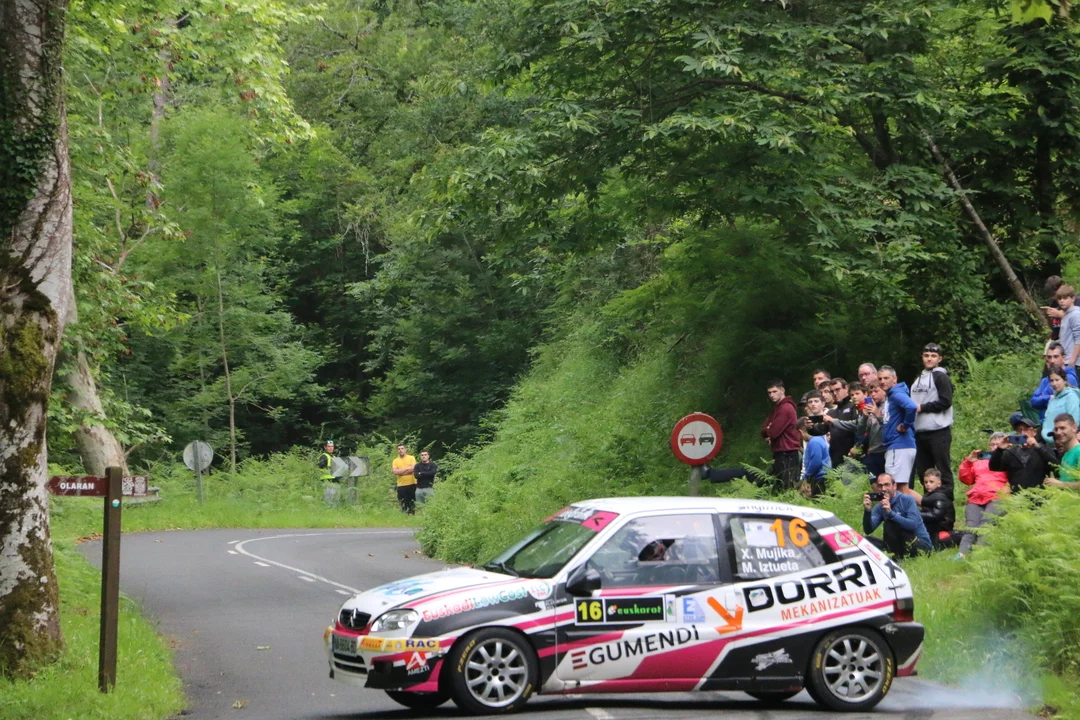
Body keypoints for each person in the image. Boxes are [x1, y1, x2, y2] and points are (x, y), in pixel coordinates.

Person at [911, 343, 955, 498]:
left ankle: (946, 503)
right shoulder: (919, 378)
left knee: (943, 469)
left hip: (938, 431)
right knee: (924, 472)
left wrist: (923, 407)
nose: (929, 359)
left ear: (939, 359)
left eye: (933, 356)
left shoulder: (940, 376)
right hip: (920, 431)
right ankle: (929, 504)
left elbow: (946, 401)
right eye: (926, 355)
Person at [956, 433, 1010, 559]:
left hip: (997, 496)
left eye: (998, 444)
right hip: (976, 497)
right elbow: (966, 479)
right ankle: (961, 555)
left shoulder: (1008, 460)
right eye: (992, 444)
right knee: (971, 527)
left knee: (986, 524)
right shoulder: (980, 462)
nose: (994, 447)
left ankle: (980, 556)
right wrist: (968, 462)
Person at [863, 473, 932, 559]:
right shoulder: (880, 507)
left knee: (890, 524)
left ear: (894, 486)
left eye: (886, 485)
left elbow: (913, 525)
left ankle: (896, 556)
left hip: (919, 544)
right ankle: (893, 554)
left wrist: (890, 513)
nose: (883, 489)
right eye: (880, 486)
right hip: (898, 544)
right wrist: (867, 511)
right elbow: (868, 530)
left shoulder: (907, 500)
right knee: (864, 541)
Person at [990, 416, 1057, 492]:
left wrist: (1037, 446)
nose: (1023, 433)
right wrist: (999, 449)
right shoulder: (1010, 452)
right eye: (1019, 430)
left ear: (1034, 432)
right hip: (1018, 496)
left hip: (1040, 495)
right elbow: (994, 467)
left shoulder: (1043, 449)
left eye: (1026, 429)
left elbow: (1055, 466)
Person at [879, 366, 918, 493]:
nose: (882, 381)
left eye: (886, 378)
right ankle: (928, 504)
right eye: (880, 379)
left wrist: (905, 425)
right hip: (898, 446)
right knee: (902, 487)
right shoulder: (891, 395)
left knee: (898, 487)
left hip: (899, 445)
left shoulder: (896, 394)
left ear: (894, 379)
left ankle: (921, 505)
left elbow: (911, 406)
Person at [762, 380, 802, 489]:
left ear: (782, 390)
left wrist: (769, 429)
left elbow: (773, 432)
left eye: (774, 391)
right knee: (780, 486)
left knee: (786, 487)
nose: (772, 395)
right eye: (769, 393)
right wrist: (768, 429)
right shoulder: (778, 407)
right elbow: (764, 429)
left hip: (787, 453)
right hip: (781, 452)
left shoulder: (785, 408)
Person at [909, 469, 957, 549]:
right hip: (933, 526)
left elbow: (935, 515)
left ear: (939, 483)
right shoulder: (929, 495)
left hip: (941, 527)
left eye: (931, 482)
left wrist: (917, 514)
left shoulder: (941, 497)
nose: (928, 484)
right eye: (926, 482)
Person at [1030, 344, 1078, 422]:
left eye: (1056, 357)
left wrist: (1042, 397)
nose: (1052, 361)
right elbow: (1033, 401)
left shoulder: (1069, 378)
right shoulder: (1045, 380)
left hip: (1061, 423)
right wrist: (1049, 397)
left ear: (1063, 358)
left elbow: (1061, 401)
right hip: (1044, 422)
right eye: (1049, 357)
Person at [825, 378, 858, 468]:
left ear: (846, 388)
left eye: (837, 390)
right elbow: (820, 430)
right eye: (832, 391)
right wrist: (810, 427)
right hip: (836, 459)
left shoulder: (853, 406)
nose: (835, 393)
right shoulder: (832, 412)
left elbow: (857, 426)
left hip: (852, 457)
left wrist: (833, 421)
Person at [1041, 369, 1080, 443]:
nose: (1054, 383)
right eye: (1052, 381)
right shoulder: (1052, 399)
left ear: (1064, 380)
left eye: (1057, 380)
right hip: (1050, 443)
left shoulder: (1071, 397)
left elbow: (1074, 421)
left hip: (1064, 443)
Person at [1046, 414, 1080, 488]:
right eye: (1056, 429)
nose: (1058, 432)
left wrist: (1059, 484)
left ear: (1074, 428)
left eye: (1062, 428)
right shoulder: (1065, 454)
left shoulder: (1078, 451)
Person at [800, 425, 831, 497]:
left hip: (820, 478)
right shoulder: (818, 439)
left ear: (800, 432)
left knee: (817, 500)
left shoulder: (814, 442)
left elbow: (816, 463)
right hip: (821, 477)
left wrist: (806, 476)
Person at [1056, 284, 1080, 371]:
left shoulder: (1075, 315)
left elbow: (1078, 338)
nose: (1062, 301)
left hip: (1074, 363)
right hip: (1066, 360)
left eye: (1065, 298)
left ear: (1073, 299)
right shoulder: (1066, 315)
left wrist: (1072, 361)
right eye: (1060, 298)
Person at [392, 444, 417, 514]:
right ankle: (405, 516)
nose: (400, 450)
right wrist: (407, 468)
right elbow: (395, 472)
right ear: (397, 451)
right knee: (403, 503)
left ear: (405, 449)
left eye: (402, 448)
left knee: (412, 503)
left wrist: (400, 472)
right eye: (399, 449)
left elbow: (413, 469)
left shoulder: (411, 458)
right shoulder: (395, 461)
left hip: (412, 483)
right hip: (401, 485)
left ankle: (412, 516)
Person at [319, 440, 340, 504]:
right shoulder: (323, 456)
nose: (331, 448)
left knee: (335, 501)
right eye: (329, 446)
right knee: (328, 501)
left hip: (335, 481)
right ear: (325, 447)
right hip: (327, 481)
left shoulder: (334, 457)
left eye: (332, 446)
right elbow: (320, 467)